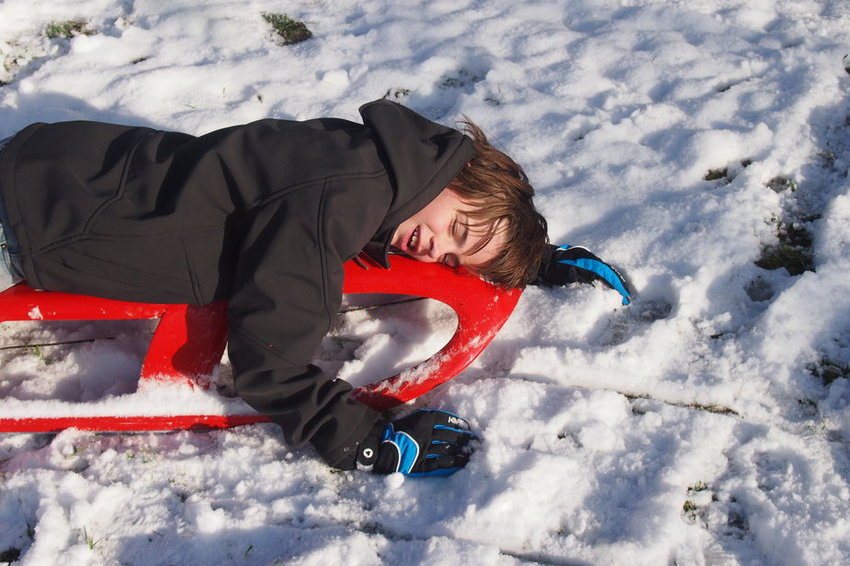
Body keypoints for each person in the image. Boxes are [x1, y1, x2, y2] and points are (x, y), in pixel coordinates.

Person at [0, 99, 630, 476]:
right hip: (33, 219)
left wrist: (521, 260)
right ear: (459, 179)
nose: (439, 251)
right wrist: (363, 440)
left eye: (459, 259)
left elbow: (441, 229)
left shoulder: (387, 161)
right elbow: (271, 361)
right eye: (460, 229)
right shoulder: (338, 200)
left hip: (62, 167)